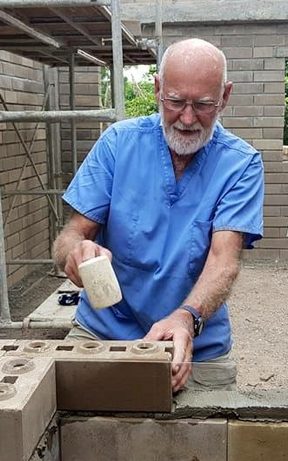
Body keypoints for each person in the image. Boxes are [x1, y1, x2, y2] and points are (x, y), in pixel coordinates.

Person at [53, 38, 264, 393]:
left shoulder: (240, 164)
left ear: (225, 97)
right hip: (105, 332)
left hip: (196, 343)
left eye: (203, 104)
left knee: (203, 442)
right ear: (157, 90)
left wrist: (186, 318)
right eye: (176, 101)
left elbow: (223, 261)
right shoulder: (118, 144)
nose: (186, 118)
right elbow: (72, 234)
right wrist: (75, 253)